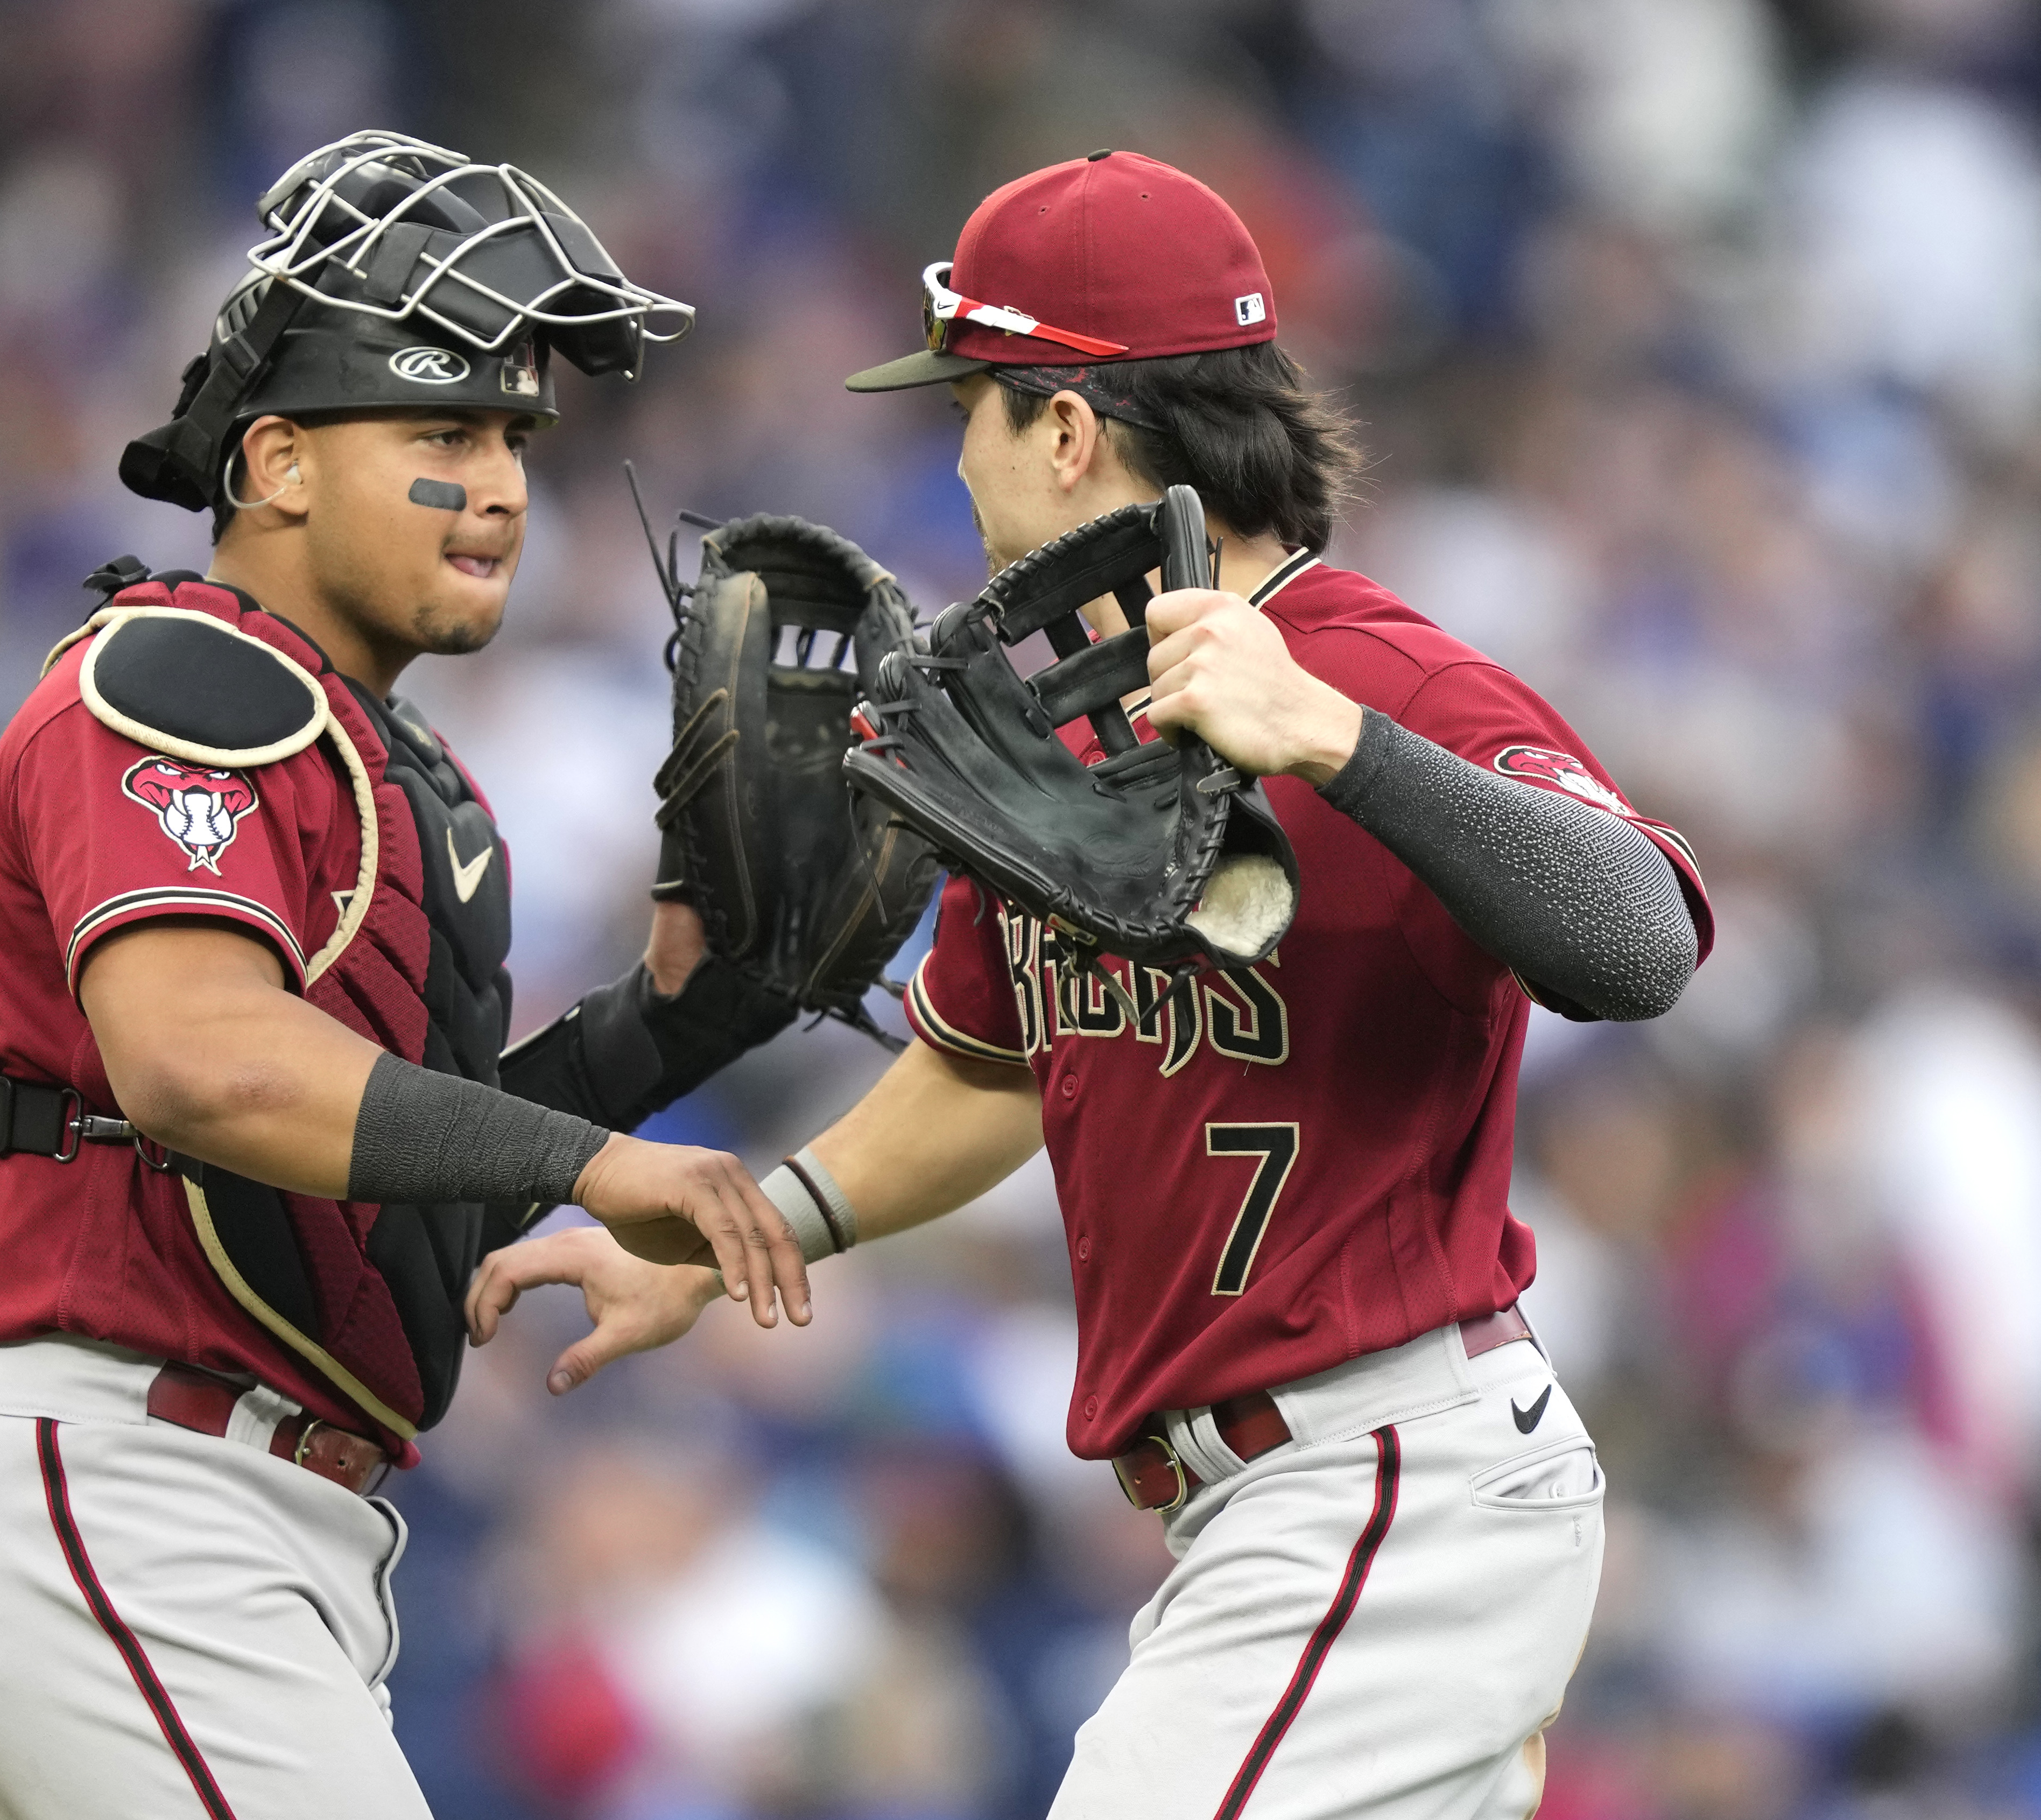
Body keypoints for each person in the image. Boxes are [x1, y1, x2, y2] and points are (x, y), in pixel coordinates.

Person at [471, 149, 1715, 1820]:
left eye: (971, 411)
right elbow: (987, 1071)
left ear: (1064, 429)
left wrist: (1341, 745)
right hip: (1265, 1515)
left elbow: (1641, 945)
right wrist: (749, 1232)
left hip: (1385, 1482)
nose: (960, 465)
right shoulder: (1048, 728)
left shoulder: (1373, 669)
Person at [0, 132, 818, 1819]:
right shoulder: (179, 679)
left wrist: (680, 1022)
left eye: (517, 436)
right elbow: (200, 1065)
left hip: (246, 1519)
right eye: (444, 432)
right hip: (114, 1485)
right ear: (280, 463)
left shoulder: (392, 767)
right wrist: (595, 1161)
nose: (505, 483)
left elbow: (380, 1202)